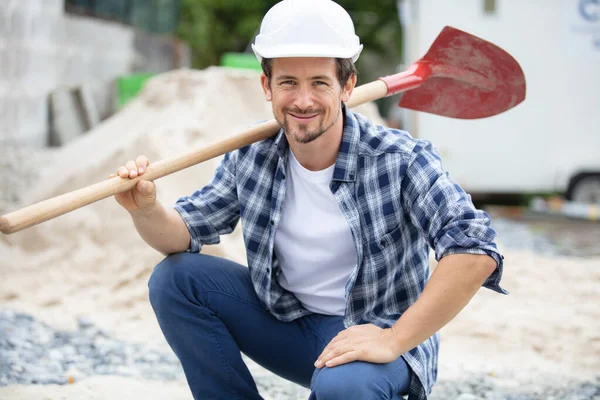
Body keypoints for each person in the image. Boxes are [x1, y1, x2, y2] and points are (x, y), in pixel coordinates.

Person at [111, 0, 506, 398]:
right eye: (288, 83)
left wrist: (394, 338)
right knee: (175, 279)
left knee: (343, 389)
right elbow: (182, 234)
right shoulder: (252, 155)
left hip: (377, 336)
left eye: (319, 82)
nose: (302, 101)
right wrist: (146, 211)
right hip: (289, 323)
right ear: (266, 86)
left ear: (347, 86)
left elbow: (475, 250)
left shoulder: (400, 160)